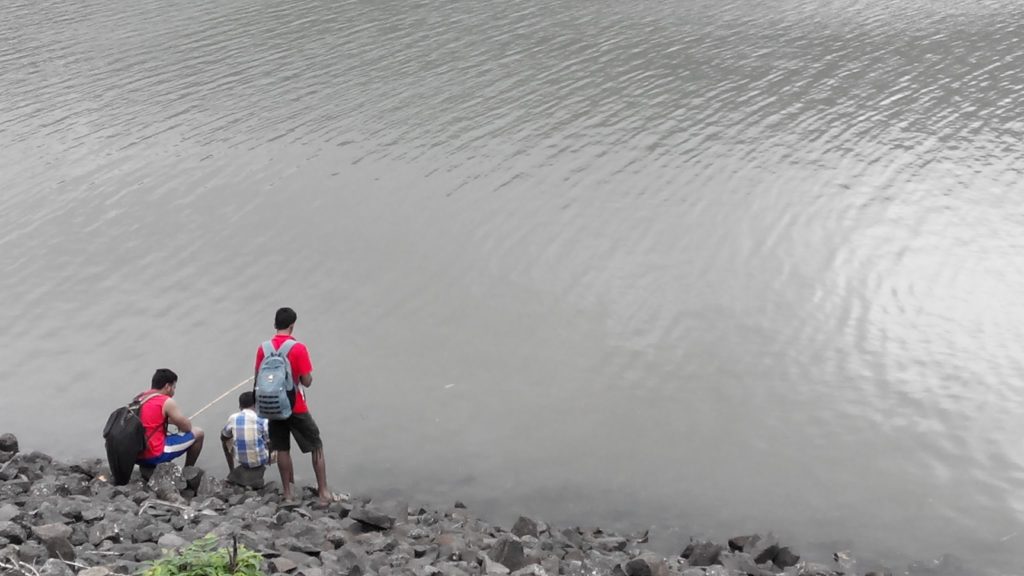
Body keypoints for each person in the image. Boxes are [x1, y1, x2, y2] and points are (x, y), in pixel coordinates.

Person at [255, 307, 331, 503]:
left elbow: (257, 379)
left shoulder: (263, 348)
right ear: (292, 326)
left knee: (282, 448)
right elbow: (306, 381)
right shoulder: (298, 348)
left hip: (272, 406)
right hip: (295, 406)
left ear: (275, 325)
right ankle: (323, 491)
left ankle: (287, 493)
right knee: (316, 444)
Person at [137, 369, 205, 473]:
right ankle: (187, 472)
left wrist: (170, 421)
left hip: (137, 456)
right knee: (199, 433)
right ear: (167, 387)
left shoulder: (140, 398)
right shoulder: (166, 401)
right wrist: (180, 421)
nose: (173, 391)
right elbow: (187, 428)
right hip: (154, 454)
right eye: (174, 387)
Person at [220, 391, 271, 488]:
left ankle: (231, 470)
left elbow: (224, 436)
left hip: (241, 460)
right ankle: (289, 482)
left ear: (240, 406)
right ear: (256, 405)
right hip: (261, 460)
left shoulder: (233, 418)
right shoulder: (262, 419)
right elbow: (270, 441)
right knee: (280, 444)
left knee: (225, 439)